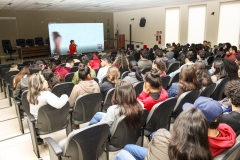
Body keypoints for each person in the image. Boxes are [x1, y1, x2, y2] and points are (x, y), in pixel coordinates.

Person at [113, 107, 212, 160]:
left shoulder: (163, 139)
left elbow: (156, 136)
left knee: (122, 153)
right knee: (129, 147)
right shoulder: (204, 154)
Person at [27, 74, 68, 144]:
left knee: (28, 121)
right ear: (39, 84)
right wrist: (65, 96)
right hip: (52, 124)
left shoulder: (30, 95)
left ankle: (37, 138)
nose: (46, 81)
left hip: (40, 125)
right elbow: (59, 104)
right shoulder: (45, 94)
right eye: (44, 81)